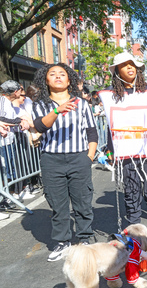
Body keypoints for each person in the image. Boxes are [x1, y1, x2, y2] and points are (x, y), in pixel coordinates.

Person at [101, 51, 147, 252]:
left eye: (133, 64)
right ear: (117, 71)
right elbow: (111, 126)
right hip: (127, 156)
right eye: (125, 65)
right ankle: (136, 237)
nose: (130, 68)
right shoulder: (113, 97)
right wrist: (111, 150)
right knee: (131, 197)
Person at [31, 64, 98, 261]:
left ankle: (85, 237)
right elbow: (39, 126)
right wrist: (57, 111)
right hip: (52, 159)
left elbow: (92, 132)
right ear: (46, 80)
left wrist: (89, 156)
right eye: (52, 74)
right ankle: (62, 242)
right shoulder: (40, 105)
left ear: (69, 80)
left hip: (79, 158)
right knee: (57, 203)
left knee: (82, 200)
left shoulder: (82, 103)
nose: (58, 77)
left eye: (62, 74)